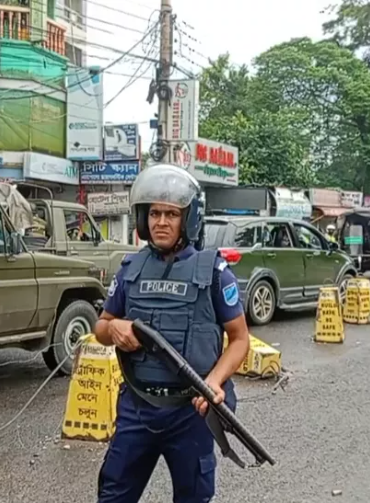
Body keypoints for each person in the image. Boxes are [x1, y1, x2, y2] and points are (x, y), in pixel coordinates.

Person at [94, 164, 251, 503]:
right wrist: (115, 327)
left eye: (170, 214)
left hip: (191, 411)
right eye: (153, 213)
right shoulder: (130, 269)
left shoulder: (215, 272)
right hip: (138, 407)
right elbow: (100, 329)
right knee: (113, 494)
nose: (160, 222)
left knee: (193, 496)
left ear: (189, 219)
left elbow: (240, 340)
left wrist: (215, 382)